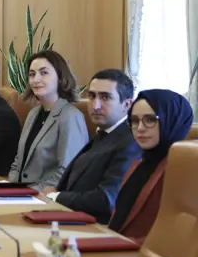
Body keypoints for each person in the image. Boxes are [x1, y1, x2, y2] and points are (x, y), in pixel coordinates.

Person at [48, 69, 142, 223]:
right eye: (92, 96)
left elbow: (107, 199)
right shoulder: (103, 133)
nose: (95, 106)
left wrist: (56, 196)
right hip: (68, 217)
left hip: (95, 227)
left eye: (105, 97)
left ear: (127, 104)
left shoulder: (130, 142)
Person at [108, 89, 193, 241]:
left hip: (145, 253)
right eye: (134, 120)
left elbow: (177, 239)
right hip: (117, 247)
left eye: (150, 119)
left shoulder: (183, 171)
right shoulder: (140, 162)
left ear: (172, 120)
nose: (140, 128)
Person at [6, 51, 88, 189]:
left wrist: (28, 192)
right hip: (19, 194)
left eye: (44, 73)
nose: (36, 79)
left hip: (45, 197)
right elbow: (18, 163)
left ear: (60, 77)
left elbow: (67, 173)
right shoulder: (33, 113)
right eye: (32, 74)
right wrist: (8, 189)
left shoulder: (71, 116)